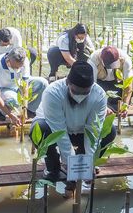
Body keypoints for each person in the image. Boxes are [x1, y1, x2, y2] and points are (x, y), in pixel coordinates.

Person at [29, 61, 112, 189]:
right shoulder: (53, 93)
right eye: (76, 91)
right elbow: (59, 132)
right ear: (68, 82)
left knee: (110, 130)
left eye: (85, 92)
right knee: (39, 128)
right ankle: (53, 168)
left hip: (81, 131)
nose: (80, 96)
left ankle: (85, 163)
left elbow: (93, 131)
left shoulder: (99, 95)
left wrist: (88, 162)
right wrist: (70, 164)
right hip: (53, 131)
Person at [0, 47, 48, 125]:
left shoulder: (24, 61)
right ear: (8, 60)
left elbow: (25, 86)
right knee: (14, 101)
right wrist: (10, 115)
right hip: (3, 90)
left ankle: (30, 111)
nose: (18, 69)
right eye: (15, 67)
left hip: (17, 85)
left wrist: (25, 109)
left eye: (20, 67)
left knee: (43, 83)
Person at [89, 46, 133, 117]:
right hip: (101, 85)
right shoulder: (93, 59)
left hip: (117, 84)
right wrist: (104, 108)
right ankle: (107, 105)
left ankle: (113, 104)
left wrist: (125, 105)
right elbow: (93, 87)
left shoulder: (125, 58)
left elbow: (128, 84)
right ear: (102, 59)